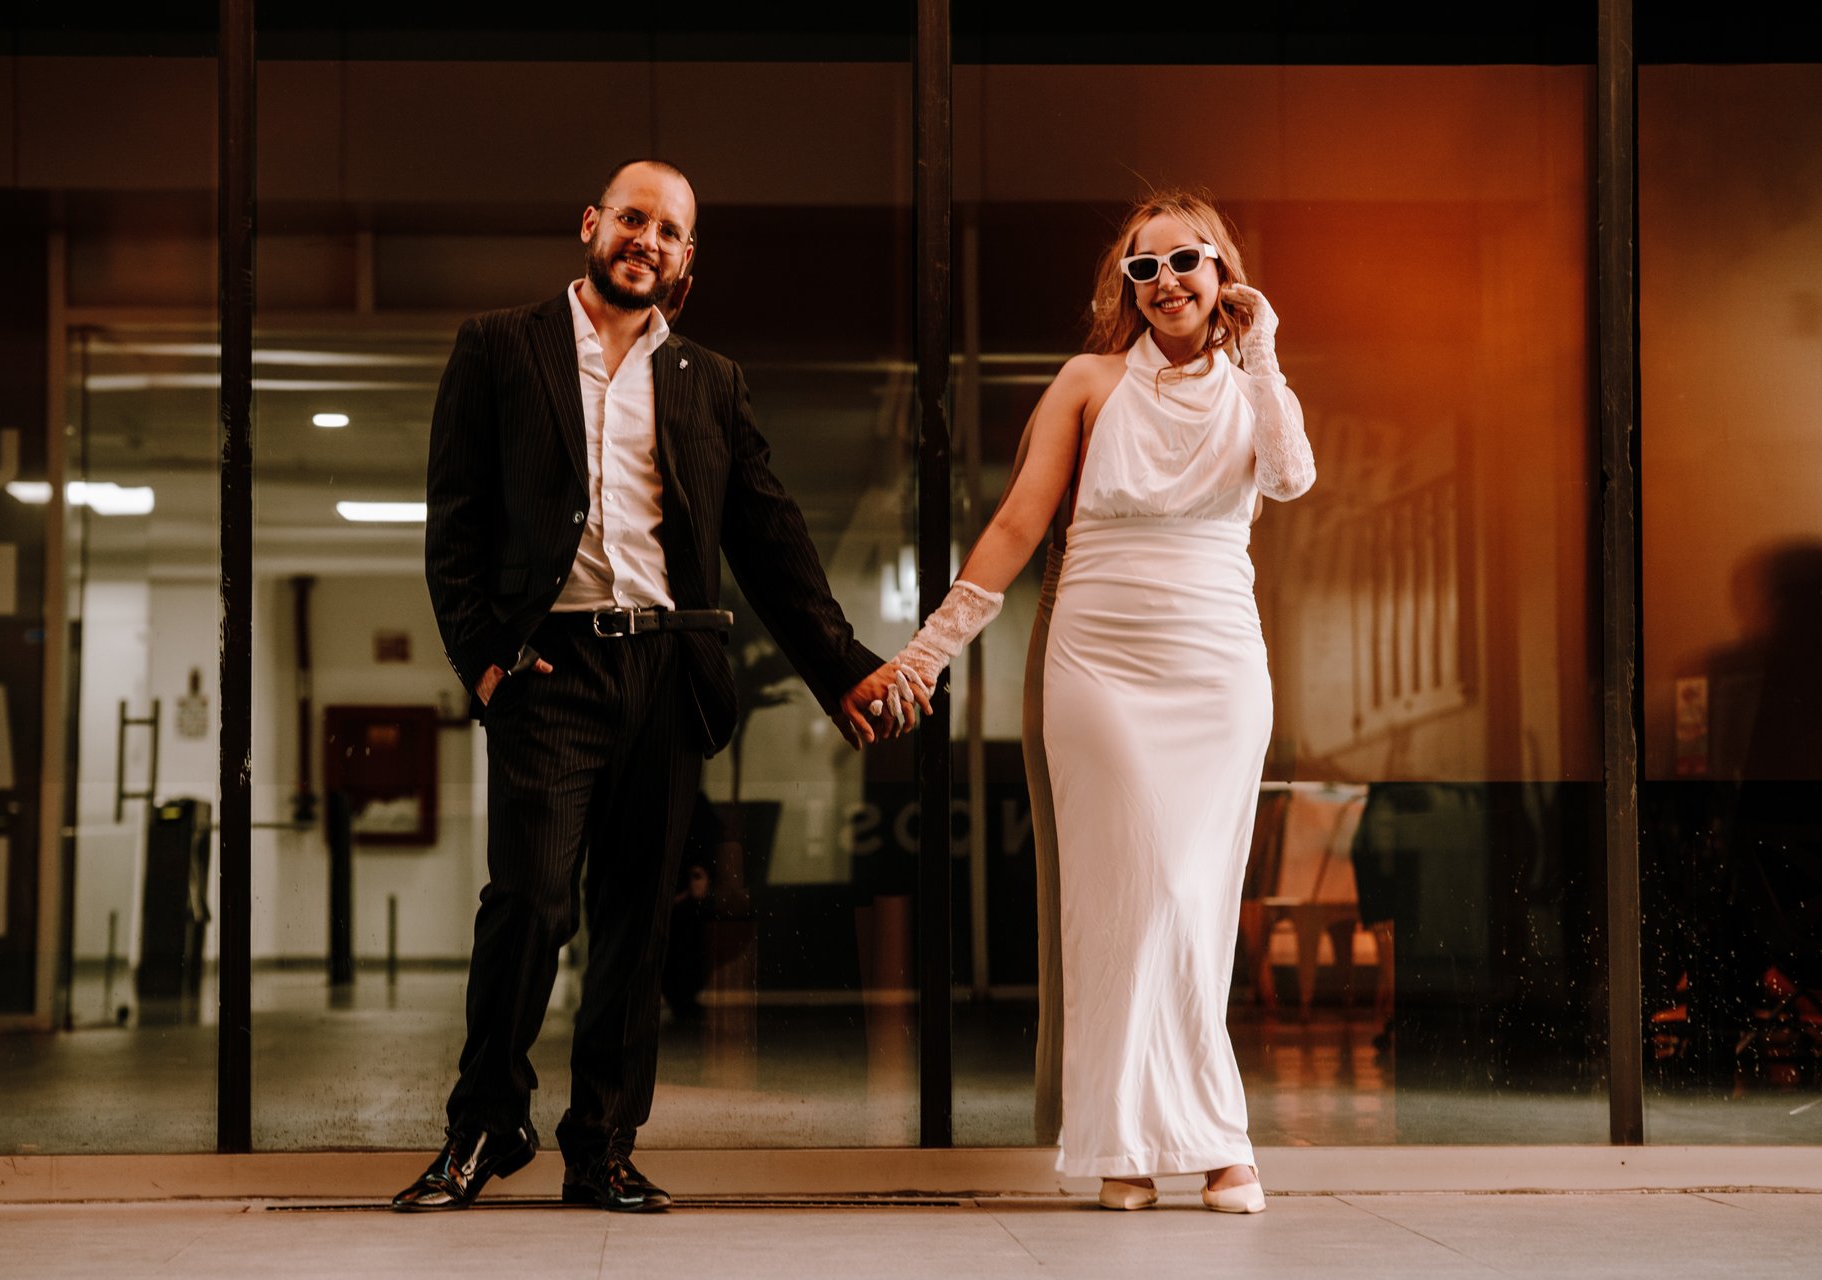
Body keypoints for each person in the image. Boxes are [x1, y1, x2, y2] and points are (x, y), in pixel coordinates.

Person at [396, 159, 896, 1215]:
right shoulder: (499, 348)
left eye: (669, 231)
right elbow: (454, 523)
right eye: (632, 218)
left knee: (639, 923)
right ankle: (484, 1122)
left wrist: (842, 666)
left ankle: (602, 1145)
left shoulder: (708, 378)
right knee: (527, 902)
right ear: (591, 225)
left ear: (685, 258)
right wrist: (485, 660)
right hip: (551, 668)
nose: (648, 240)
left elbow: (770, 535)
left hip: (669, 671)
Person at [859, 189, 1315, 1213]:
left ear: (1222, 269)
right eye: (1142, 270)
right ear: (1126, 287)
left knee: (1194, 902)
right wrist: (929, 653)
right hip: (1101, 665)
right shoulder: (1088, 381)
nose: (1165, 284)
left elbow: (1288, 478)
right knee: (1130, 899)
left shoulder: (1254, 388)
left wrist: (1266, 350)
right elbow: (1019, 527)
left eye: (1185, 261)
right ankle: (1131, 1142)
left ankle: (1200, 1140)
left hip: (1219, 668)